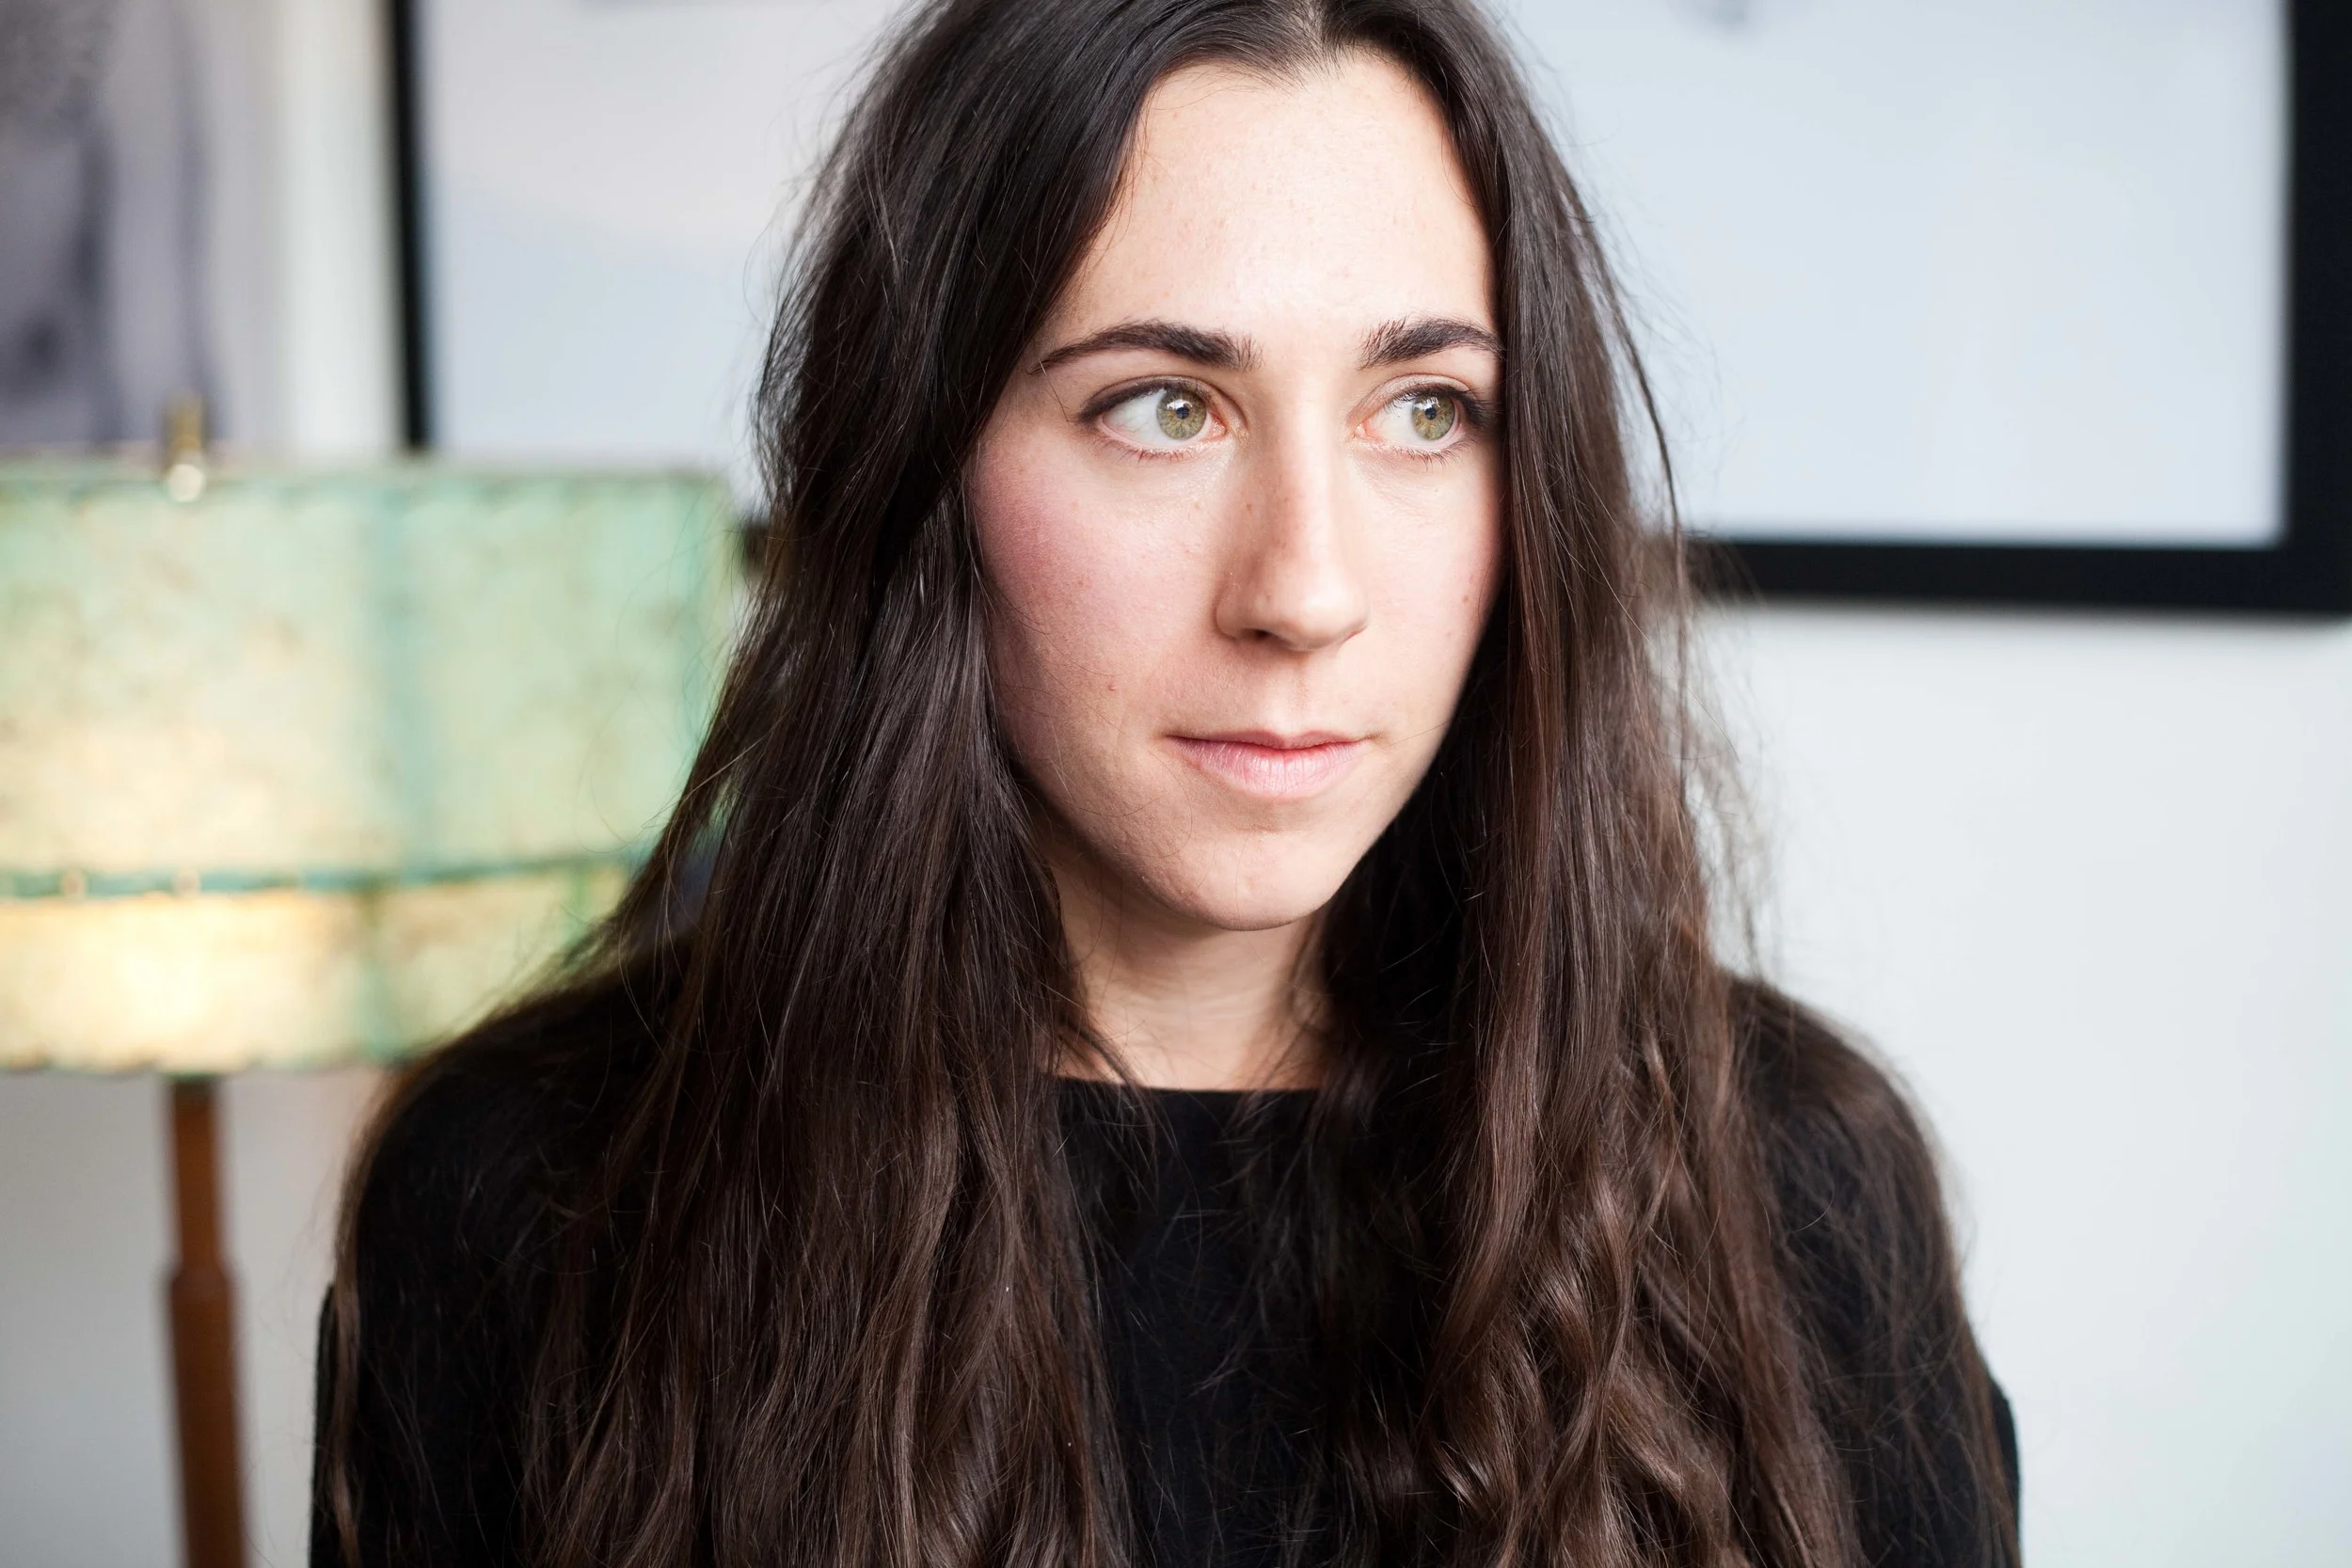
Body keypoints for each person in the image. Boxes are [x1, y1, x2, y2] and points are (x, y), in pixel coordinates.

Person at [311, 2, 2019, 1565]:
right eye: (1163, 408)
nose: (1305, 590)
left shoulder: (1794, 1182)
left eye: (1426, 410)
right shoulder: (527, 1190)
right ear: (925, 470)